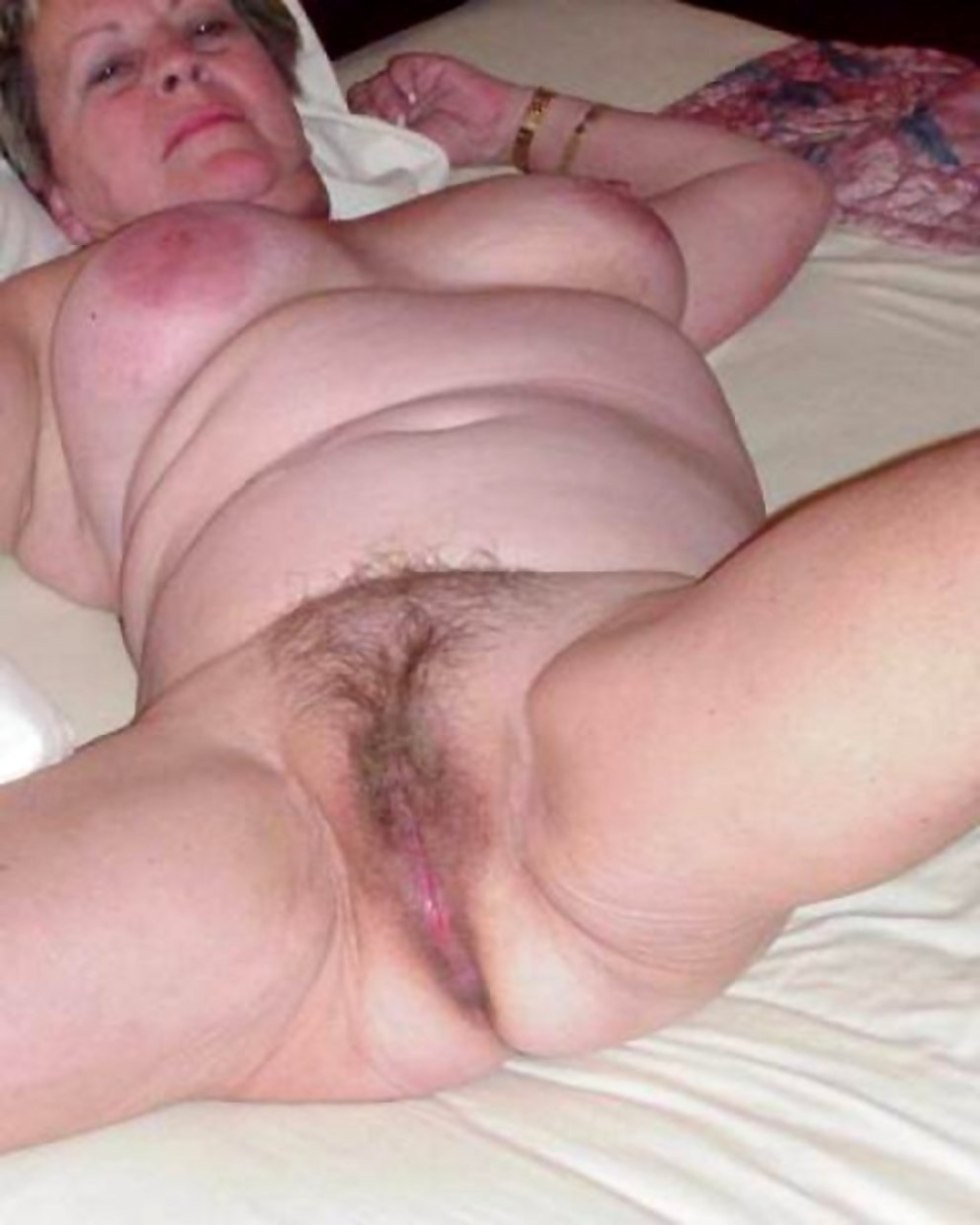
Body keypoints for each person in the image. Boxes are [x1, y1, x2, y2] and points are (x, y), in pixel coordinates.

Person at [0, 0, 975, 1157]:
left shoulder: (527, 231)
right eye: (110, 68)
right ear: (61, 199)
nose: (175, 67)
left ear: (283, 77)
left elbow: (776, 193)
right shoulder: (52, 318)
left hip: (629, 720)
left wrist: (514, 118)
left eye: (208, 27)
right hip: (240, 795)